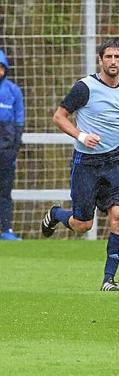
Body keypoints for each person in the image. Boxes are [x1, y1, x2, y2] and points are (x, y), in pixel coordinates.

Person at [42, 38, 119, 291]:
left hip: (114, 162)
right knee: (83, 224)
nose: (113, 62)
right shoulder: (84, 87)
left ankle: (109, 279)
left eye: (117, 57)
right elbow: (58, 117)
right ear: (100, 60)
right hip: (86, 163)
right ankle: (55, 214)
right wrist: (81, 135)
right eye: (108, 57)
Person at [0, 49, 25, 240]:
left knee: (5, 191)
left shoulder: (13, 90)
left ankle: (6, 230)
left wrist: (13, 149)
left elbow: (19, 122)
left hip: (6, 152)